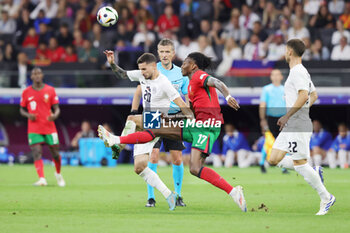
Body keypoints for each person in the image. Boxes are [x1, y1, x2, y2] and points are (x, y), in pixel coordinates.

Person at [98, 52, 247, 212]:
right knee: (151, 129)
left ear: (193, 66)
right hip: (191, 123)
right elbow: (191, 108)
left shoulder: (197, 76)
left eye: (185, 63)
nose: (181, 65)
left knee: (193, 167)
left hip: (206, 127)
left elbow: (216, 82)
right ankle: (116, 141)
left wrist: (228, 95)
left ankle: (232, 191)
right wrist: (176, 117)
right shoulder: (189, 84)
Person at [102, 51, 193, 211]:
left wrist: (192, 119)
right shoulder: (143, 75)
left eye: (144, 69)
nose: (142, 73)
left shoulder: (164, 82)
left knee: (132, 119)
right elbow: (122, 74)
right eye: (140, 70)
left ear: (153, 66)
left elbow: (180, 103)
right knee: (139, 167)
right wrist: (111, 63)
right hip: (148, 121)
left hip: (160, 120)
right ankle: (168, 195)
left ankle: (117, 143)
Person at [268, 39, 335, 215]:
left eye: (285, 49)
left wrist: (289, 114)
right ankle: (313, 171)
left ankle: (326, 197)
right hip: (293, 124)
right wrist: (300, 110)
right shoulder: (300, 72)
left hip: (297, 124)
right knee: (273, 159)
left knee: (299, 164)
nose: (284, 52)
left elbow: (304, 95)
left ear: (290, 52)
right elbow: (314, 95)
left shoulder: (297, 72)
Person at [130, 39, 189, 207]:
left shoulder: (181, 73)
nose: (164, 55)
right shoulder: (151, 69)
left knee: (177, 158)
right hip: (154, 117)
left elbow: (186, 97)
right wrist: (134, 112)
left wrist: (190, 115)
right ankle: (151, 197)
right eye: (161, 52)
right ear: (158, 53)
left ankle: (177, 195)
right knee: (153, 156)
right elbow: (138, 92)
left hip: (174, 118)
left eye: (167, 51)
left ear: (173, 53)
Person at [20, 67, 65, 187]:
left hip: (49, 126)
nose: (37, 75)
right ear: (31, 77)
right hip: (34, 128)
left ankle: (58, 174)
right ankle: (42, 178)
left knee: (55, 153)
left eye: (39, 73)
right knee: (36, 152)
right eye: (35, 73)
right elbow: (21, 109)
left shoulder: (50, 90)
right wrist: (28, 115)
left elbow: (57, 109)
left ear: (42, 75)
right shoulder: (26, 92)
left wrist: (54, 116)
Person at [259, 69, 286, 172]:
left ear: (281, 77)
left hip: (283, 118)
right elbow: (263, 104)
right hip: (270, 118)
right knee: (269, 141)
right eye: (273, 75)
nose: (275, 77)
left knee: (283, 142)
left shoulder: (285, 89)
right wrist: (262, 119)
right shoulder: (266, 89)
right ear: (271, 77)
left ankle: (283, 166)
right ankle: (262, 163)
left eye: (277, 75)